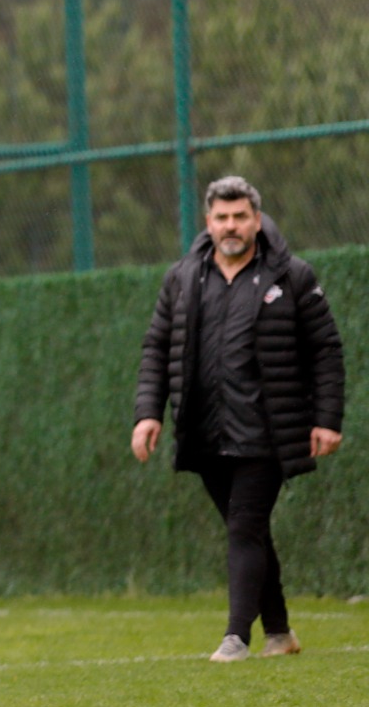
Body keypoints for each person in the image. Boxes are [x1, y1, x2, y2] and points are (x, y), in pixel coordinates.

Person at [132, 175, 344, 662]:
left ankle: (235, 637)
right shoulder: (182, 277)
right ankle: (280, 632)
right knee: (249, 530)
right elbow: (157, 348)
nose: (231, 225)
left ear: (257, 220)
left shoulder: (293, 276)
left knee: (244, 528)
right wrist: (148, 413)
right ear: (208, 222)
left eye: (240, 216)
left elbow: (326, 350)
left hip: (269, 432)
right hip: (205, 431)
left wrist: (327, 418)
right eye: (222, 217)